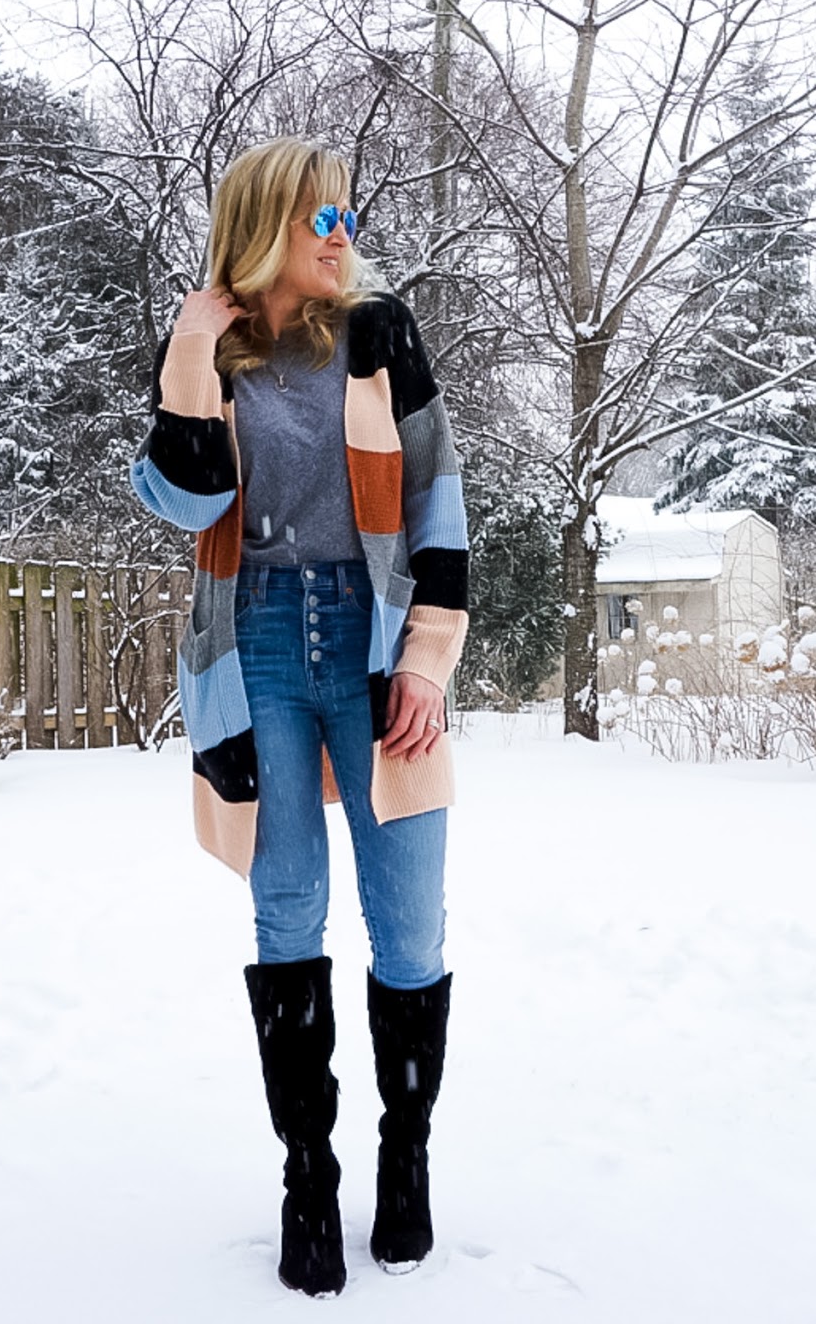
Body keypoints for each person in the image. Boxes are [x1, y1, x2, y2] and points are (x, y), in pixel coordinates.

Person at [130, 138, 469, 1298]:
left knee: (407, 912)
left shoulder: (378, 331)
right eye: (317, 213)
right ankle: (309, 1175)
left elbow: (437, 497)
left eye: (346, 211)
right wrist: (186, 351)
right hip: (256, 640)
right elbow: (186, 500)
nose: (339, 231)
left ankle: (404, 1155)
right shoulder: (213, 351)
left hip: (374, 642)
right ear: (264, 222)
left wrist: (427, 662)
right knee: (286, 900)